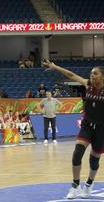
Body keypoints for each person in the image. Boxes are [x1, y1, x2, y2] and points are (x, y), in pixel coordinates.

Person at [42, 60, 104, 199]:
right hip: (87, 125)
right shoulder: (88, 84)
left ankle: (88, 185)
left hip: (101, 129)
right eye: (91, 74)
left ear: (103, 76)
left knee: (94, 161)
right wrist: (55, 67)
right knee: (77, 153)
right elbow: (71, 75)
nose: (92, 76)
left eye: (95, 74)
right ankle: (75, 186)